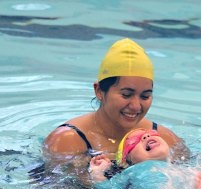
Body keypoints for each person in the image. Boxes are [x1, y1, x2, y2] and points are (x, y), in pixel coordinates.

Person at [43, 38, 189, 172]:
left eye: (145, 96)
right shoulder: (68, 141)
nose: (136, 106)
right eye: (126, 95)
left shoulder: (165, 140)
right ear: (99, 91)